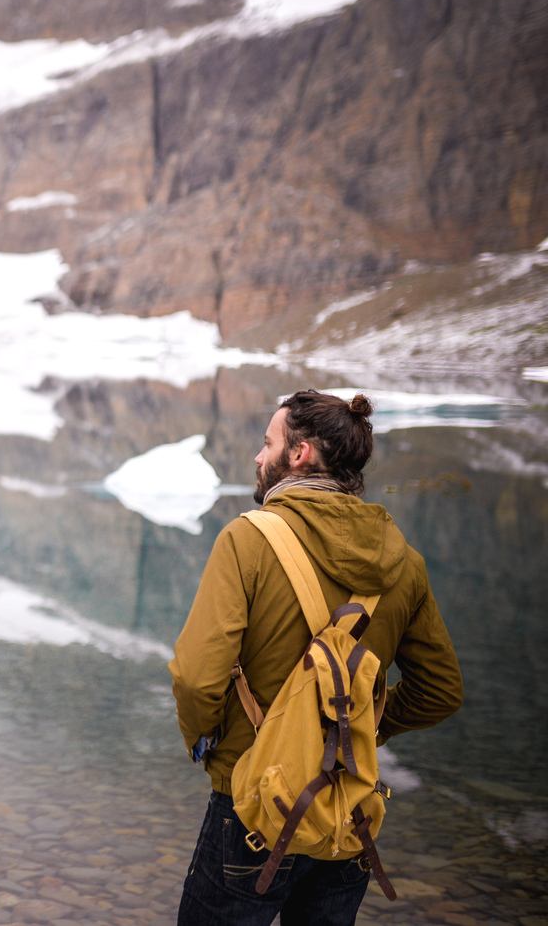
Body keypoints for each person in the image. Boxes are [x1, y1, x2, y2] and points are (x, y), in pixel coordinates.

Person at [170, 389, 463, 925]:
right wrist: (357, 728)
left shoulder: (247, 540)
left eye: (268, 442)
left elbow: (195, 677)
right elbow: (440, 691)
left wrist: (207, 744)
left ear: (300, 453)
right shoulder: (405, 563)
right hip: (347, 814)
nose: (259, 457)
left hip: (254, 805)